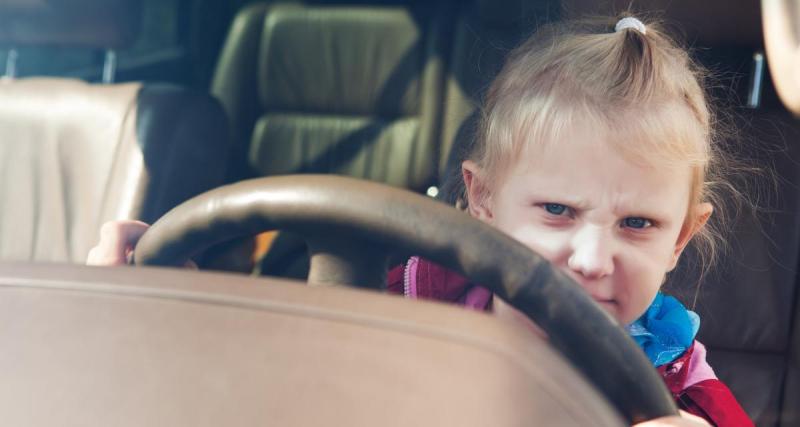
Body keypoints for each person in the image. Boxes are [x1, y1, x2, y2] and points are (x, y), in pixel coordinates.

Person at [87, 15, 752, 427]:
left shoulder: (674, 373)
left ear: (680, 239)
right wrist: (161, 309)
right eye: (557, 210)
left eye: (637, 223)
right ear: (483, 203)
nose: (590, 257)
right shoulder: (407, 300)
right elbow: (269, 372)